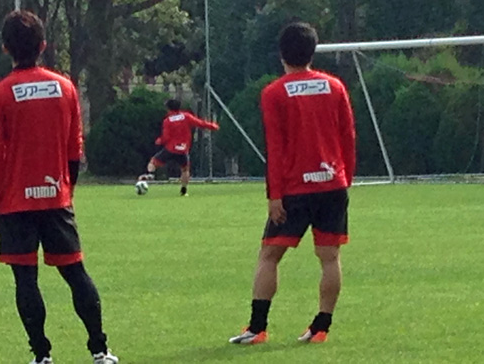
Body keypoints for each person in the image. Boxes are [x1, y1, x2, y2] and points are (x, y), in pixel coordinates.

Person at [0, 10, 118, 364]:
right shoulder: (65, 87)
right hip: (56, 198)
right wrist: (67, 191)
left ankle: (41, 355)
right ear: (43, 45)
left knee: (25, 279)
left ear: (5, 48)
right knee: (75, 273)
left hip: (15, 203)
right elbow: (75, 148)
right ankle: (100, 350)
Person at [229, 22, 355, 345]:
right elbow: (348, 137)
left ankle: (257, 328)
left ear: (281, 53)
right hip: (333, 185)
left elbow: (275, 148)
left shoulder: (274, 93)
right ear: (313, 51)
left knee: (269, 255)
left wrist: (274, 195)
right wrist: (345, 180)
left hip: (295, 190)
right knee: (330, 258)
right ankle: (321, 327)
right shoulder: (335, 87)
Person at [138, 99, 219, 196]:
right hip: (183, 150)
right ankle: (184, 190)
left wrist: (160, 140)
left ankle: (150, 174)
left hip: (170, 149)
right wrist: (212, 126)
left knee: (153, 162)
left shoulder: (167, 121)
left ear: (168, 108)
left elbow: (166, 137)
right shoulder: (186, 116)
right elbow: (200, 123)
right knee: (185, 170)